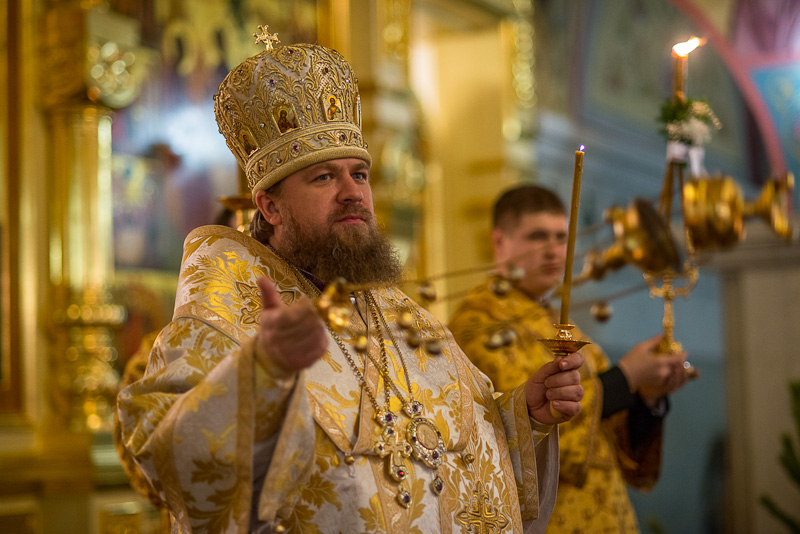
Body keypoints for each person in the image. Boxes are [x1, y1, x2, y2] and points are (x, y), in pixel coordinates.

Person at [116, 33, 585, 534]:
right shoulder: (222, 308)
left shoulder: (402, 312)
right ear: (270, 206)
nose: (351, 193)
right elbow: (170, 457)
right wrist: (261, 373)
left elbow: (465, 447)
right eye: (322, 178)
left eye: (359, 174)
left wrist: (525, 417)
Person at [448, 184, 693, 534]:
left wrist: (647, 395)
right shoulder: (478, 325)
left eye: (561, 237)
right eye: (537, 237)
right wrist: (626, 377)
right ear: (499, 241)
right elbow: (518, 427)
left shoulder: (560, 321)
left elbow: (607, 438)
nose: (553, 251)